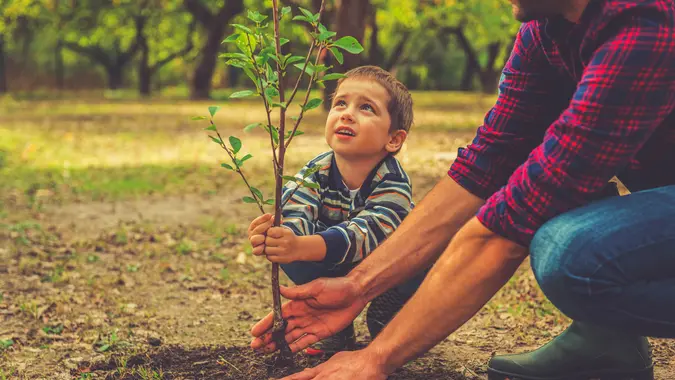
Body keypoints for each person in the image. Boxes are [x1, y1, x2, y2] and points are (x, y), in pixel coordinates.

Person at [250, 0, 675, 379]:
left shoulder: (645, 21)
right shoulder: (544, 31)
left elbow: (511, 223)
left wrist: (376, 357)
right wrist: (357, 286)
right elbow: (485, 165)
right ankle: (606, 341)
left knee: (570, 253)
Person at [247, 65, 428, 356]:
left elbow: (369, 233)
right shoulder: (317, 169)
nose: (347, 113)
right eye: (340, 103)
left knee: (420, 264)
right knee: (293, 254)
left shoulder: (393, 181)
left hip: (388, 265)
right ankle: (336, 325)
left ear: (393, 139)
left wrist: (307, 245)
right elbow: (296, 207)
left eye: (366, 108)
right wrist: (281, 237)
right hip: (336, 260)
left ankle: (391, 310)